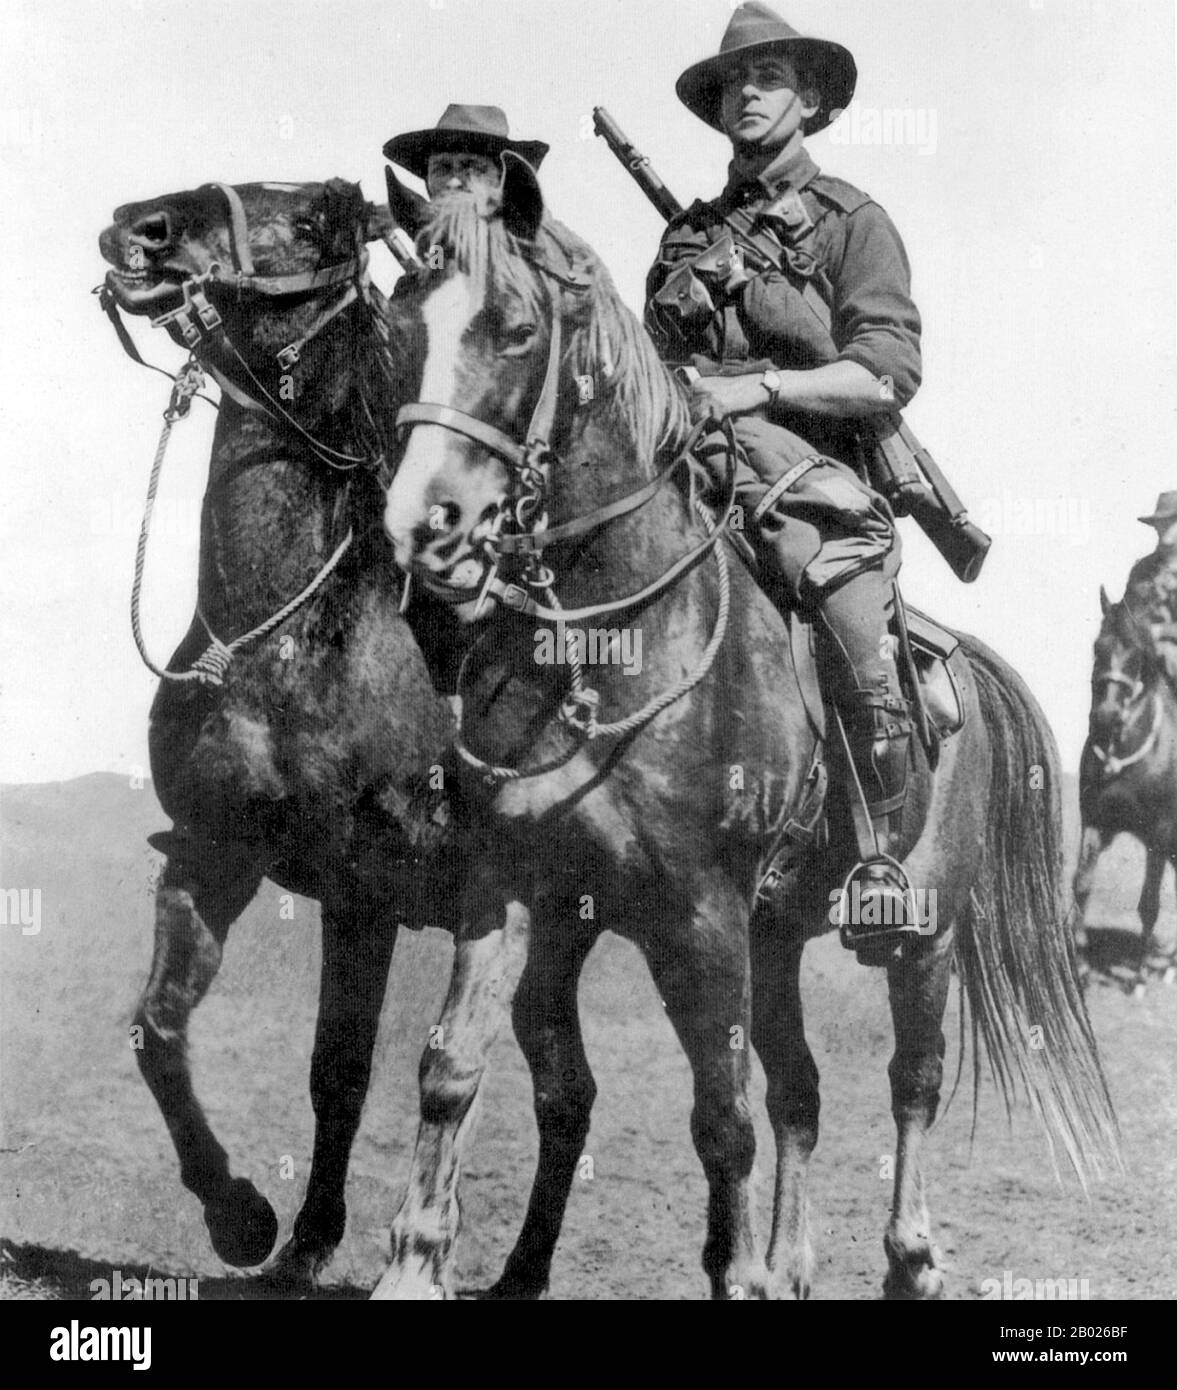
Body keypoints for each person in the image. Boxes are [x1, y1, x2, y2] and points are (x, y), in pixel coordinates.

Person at [644, 2, 922, 938]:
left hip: (809, 476)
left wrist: (757, 385)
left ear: (808, 98)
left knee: (847, 605)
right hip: (690, 465)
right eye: (731, 84)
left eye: (766, 80)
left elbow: (883, 372)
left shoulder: (852, 221)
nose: (745, 97)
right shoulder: (686, 237)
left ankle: (879, 852)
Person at [383, 103, 549, 203]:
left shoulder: (531, 248)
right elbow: (436, 262)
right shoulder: (436, 246)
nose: (454, 182)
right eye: (441, 168)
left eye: (472, 168)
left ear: (502, 180)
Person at [1125, 492, 1177, 681]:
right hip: (1143, 654)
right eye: (1161, 523)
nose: (1165, 528)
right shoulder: (1143, 569)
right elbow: (1129, 613)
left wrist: (1162, 632)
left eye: (1171, 522)